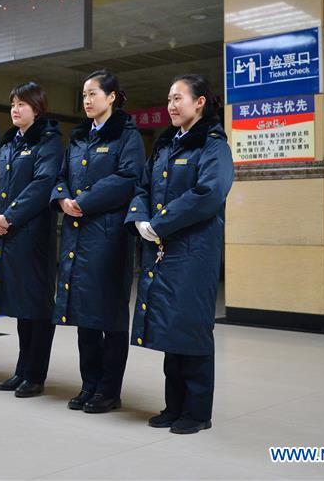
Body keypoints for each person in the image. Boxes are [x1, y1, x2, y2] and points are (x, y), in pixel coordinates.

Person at [125, 73, 234, 435]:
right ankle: (174, 406)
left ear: (200, 102)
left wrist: (161, 224)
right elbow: (142, 185)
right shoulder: (167, 144)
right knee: (172, 327)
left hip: (195, 251)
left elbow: (209, 193)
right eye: (169, 99)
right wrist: (141, 219)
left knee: (193, 328)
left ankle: (198, 412)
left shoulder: (213, 145)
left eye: (178, 98)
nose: (171, 106)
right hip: (164, 249)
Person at [50, 69, 144, 414]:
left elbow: (128, 177)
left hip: (108, 237)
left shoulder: (127, 136)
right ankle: (89, 383)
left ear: (112, 97)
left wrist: (84, 201)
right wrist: (62, 199)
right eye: (84, 95)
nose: (87, 101)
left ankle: (109, 389)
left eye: (93, 94)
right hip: (76, 234)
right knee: (83, 313)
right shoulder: (77, 137)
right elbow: (60, 177)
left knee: (110, 316)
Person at [0, 82, 63, 397]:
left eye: (23, 104)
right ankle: (22, 369)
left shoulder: (49, 142)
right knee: (20, 307)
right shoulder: (8, 144)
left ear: (37, 108)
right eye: (13, 103)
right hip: (6, 234)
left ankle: (35, 374)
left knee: (37, 307)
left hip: (33, 236)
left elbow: (42, 185)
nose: (16, 109)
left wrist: (9, 216)